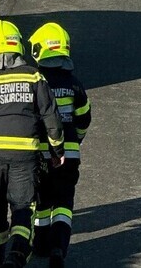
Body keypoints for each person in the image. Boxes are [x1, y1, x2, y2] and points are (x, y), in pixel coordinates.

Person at [0, 20, 64, 268]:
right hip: (25, 155)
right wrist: (57, 149)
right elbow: (51, 118)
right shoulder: (34, 76)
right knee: (22, 208)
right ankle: (16, 256)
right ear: (18, 46)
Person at [29, 23, 92, 268]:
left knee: (43, 201)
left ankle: (41, 244)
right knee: (64, 202)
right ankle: (58, 247)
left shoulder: (35, 83)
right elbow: (84, 118)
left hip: (41, 154)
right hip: (69, 154)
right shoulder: (74, 84)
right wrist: (76, 139)